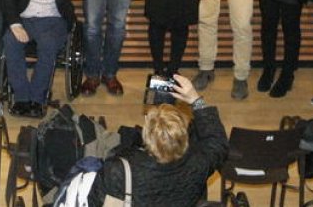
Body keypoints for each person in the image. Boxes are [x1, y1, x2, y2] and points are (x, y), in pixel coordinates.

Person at [87, 75, 227, 207]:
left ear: (146, 130)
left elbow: (95, 202)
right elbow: (217, 141)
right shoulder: (200, 163)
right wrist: (196, 99)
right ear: (183, 135)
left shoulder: (118, 170)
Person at [1, 0, 90, 117]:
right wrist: (15, 24)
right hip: (25, 18)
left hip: (54, 20)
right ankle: (22, 97)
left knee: (48, 45)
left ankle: (37, 99)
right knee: (10, 41)